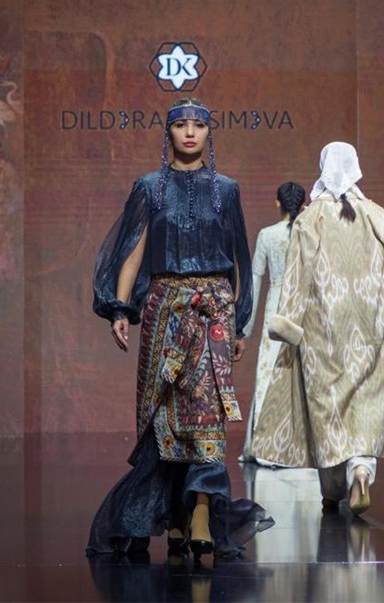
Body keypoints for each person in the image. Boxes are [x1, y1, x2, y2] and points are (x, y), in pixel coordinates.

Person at [86, 97, 273, 560]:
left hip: (212, 311)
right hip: (164, 309)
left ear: (209, 133)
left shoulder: (226, 190)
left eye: (199, 125)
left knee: (207, 412)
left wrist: (239, 322)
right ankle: (173, 514)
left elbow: (238, 259)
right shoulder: (148, 188)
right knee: (162, 417)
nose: (190, 133)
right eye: (181, 125)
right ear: (168, 132)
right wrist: (120, 309)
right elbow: (133, 250)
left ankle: (203, 512)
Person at [251, 142, 384, 514]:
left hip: (325, 322)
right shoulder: (376, 214)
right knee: (369, 398)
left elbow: (297, 275)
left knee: (328, 403)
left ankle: (333, 489)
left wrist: (289, 321)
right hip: (375, 319)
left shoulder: (311, 218)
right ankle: (361, 469)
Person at [239, 182, 306, 464]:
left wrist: (244, 328)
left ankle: (264, 446)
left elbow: (255, 281)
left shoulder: (267, 235)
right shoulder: (309, 233)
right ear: (303, 205)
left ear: (277, 202)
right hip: (302, 306)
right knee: (301, 372)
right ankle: (298, 446)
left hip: (276, 305)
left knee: (269, 369)